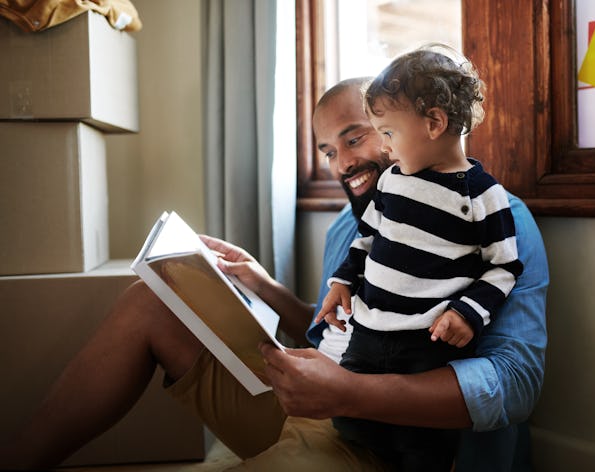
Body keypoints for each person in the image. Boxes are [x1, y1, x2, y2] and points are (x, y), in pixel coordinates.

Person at [0, 75, 548, 471]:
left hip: (399, 442)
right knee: (150, 299)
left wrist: (349, 395)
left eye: (355, 138)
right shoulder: (348, 226)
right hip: (317, 404)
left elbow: (515, 386)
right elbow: (342, 332)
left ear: (401, 128)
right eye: (328, 151)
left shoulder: (493, 218)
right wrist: (259, 282)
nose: (342, 166)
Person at [316, 46, 523, 470]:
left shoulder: (487, 199)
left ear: (434, 123)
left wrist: (468, 313)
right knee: (351, 424)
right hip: (368, 334)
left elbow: (504, 267)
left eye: (380, 134)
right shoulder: (391, 184)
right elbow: (368, 239)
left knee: (420, 447)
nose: (387, 150)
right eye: (329, 152)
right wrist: (341, 282)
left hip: (423, 344)